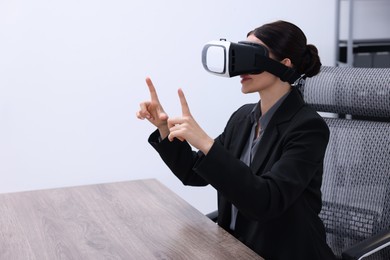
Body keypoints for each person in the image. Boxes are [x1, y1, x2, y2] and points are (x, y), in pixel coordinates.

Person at [136, 20, 336, 260]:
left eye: (252, 56)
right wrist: (163, 129)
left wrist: (205, 143)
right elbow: (193, 173)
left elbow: (266, 201)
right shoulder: (243, 118)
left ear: (284, 64)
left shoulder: (308, 128)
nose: (241, 69)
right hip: (236, 250)